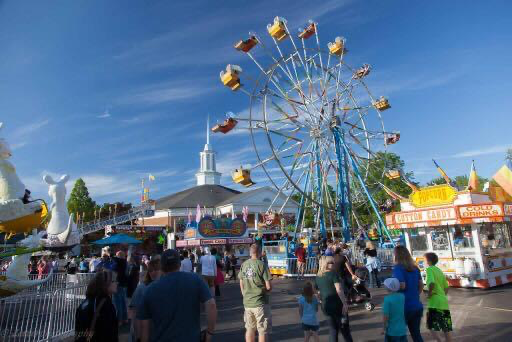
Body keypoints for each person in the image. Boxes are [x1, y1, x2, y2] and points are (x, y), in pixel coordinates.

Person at [137, 249, 217, 342]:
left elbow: (144, 325)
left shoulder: (150, 289)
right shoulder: (195, 279)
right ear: (179, 264)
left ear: (162, 267)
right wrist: (209, 333)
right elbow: (211, 305)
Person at [315, 256, 353, 342]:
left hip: (326, 306)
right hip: (338, 305)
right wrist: (345, 303)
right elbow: (339, 289)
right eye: (331, 262)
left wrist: (320, 300)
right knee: (345, 330)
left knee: (333, 330)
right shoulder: (333, 274)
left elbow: (316, 292)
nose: (333, 264)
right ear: (326, 264)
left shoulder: (318, 276)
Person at [239, 244, 272, 342]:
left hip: (247, 302)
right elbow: (268, 286)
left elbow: (241, 281)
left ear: (250, 252)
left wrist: (244, 294)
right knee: (262, 330)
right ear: (259, 252)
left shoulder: (244, 264)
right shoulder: (262, 265)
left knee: (249, 328)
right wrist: (267, 292)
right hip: (260, 302)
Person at [75, 270, 119, 342]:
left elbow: (79, 332)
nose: (117, 283)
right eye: (114, 281)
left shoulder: (86, 301)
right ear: (106, 284)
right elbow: (109, 334)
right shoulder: (105, 304)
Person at [392, 246, 424, 342]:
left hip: (403, 307)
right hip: (416, 306)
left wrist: (390, 288)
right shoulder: (415, 268)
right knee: (416, 334)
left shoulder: (398, 268)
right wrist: (415, 295)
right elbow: (421, 285)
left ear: (397, 255)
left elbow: (402, 285)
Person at [129, 258, 161, 342]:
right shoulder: (142, 288)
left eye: (156, 269)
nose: (153, 272)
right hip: (146, 332)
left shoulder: (167, 286)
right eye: (150, 270)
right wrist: (138, 336)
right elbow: (134, 312)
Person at [424, 252, 452, 342]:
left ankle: (439, 341)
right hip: (443, 301)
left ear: (428, 261)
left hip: (435, 302)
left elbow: (431, 282)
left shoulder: (429, 270)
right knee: (446, 328)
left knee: (431, 326)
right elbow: (446, 287)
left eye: (424, 259)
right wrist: (442, 296)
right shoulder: (439, 270)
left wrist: (430, 293)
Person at [382, 278, 407, 342]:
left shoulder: (387, 299)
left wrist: (384, 328)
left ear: (388, 288)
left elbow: (385, 316)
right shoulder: (402, 296)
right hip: (402, 329)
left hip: (392, 331)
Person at [113, 251, 128, 326]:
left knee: (118, 302)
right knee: (123, 302)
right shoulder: (125, 262)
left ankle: (119, 320)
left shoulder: (119, 261)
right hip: (123, 283)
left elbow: (114, 260)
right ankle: (125, 318)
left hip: (118, 283)